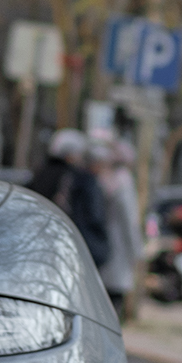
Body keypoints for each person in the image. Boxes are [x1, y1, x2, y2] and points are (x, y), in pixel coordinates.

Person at [31, 128, 112, 273]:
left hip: (38, 252)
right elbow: (94, 216)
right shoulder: (82, 180)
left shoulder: (39, 175)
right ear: (71, 155)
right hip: (74, 252)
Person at [92, 136, 142, 318]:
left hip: (100, 250)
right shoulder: (124, 181)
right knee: (112, 308)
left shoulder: (103, 178)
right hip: (118, 249)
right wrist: (136, 252)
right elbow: (130, 221)